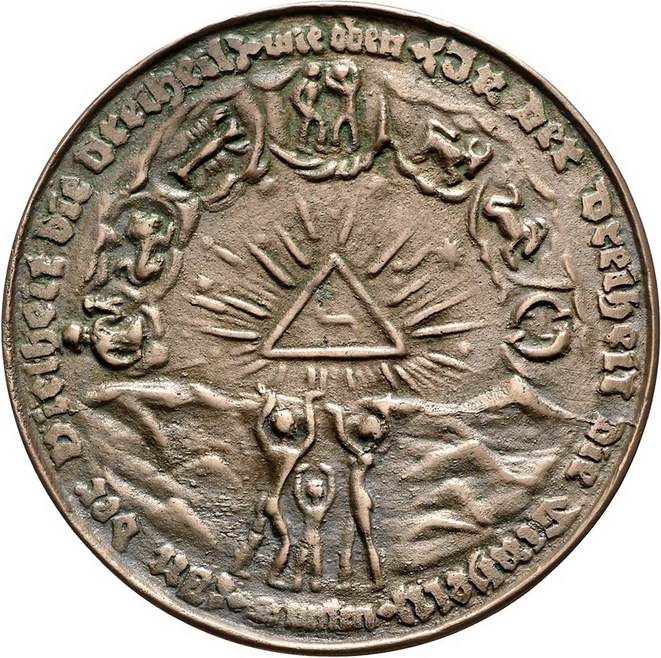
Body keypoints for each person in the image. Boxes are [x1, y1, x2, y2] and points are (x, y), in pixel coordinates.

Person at [231, 385, 322, 588]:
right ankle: (273, 577)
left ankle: (237, 567)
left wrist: (268, 404)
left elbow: (257, 427)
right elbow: (311, 436)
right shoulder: (292, 454)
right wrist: (308, 403)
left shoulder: (270, 450)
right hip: (273, 502)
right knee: (286, 541)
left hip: (262, 500)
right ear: (292, 428)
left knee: (255, 536)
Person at [326, 404, 388, 589]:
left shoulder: (363, 454)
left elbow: (343, 438)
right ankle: (345, 577)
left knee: (367, 539)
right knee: (349, 536)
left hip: (359, 498)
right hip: (355, 498)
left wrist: (337, 415)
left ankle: (378, 580)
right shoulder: (364, 452)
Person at [291, 463, 336, 592]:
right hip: (310, 540)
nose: (322, 489)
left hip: (311, 540)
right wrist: (330, 476)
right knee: (302, 563)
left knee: (315, 565)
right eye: (319, 486)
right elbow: (298, 495)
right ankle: (301, 581)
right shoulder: (316, 508)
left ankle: (309, 582)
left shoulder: (313, 508)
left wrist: (298, 475)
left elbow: (298, 496)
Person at [291, 62, 327, 151]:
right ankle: (301, 145)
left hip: (311, 108)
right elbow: (294, 96)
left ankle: (319, 144)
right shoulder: (304, 82)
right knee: (306, 125)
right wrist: (302, 108)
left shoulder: (315, 84)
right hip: (306, 108)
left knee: (320, 122)